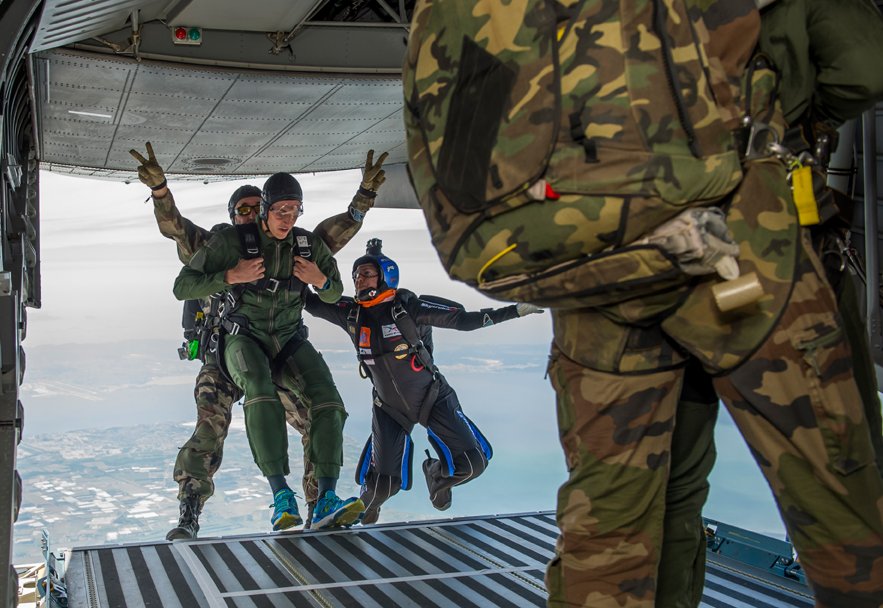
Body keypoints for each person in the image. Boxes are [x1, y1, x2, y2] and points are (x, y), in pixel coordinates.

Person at [400, 2, 883, 606]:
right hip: (741, 251)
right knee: (839, 502)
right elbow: (862, 66)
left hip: (593, 274)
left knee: (611, 521)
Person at [655, 3, 883, 605]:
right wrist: (797, 126)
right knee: (840, 477)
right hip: (776, 261)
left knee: (666, 492)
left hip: (650, 272)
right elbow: (864, 67)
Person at [132, 143, 388, 535]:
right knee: (209, 428)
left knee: (315, 416)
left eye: (260, 208)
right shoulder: (219, 245)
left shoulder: (294, 243)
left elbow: (332, 236)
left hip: (278, 350)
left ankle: (319, 504)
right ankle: (189, 511)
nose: (256, 217)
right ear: (236, 216)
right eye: (245, 211)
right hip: (225, 354)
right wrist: (162, 191)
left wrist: (362, 200)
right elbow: (175, 230)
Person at [304, 239, 543, 523]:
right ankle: (357, 522)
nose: (358, 280)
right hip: (389, 407)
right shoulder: (352, 313)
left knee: (471, 464)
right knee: (381, 487)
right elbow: (310, 303)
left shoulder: (409, 308)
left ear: (386, 277)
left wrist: (514, 310)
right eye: (356, 275)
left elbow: (463, 320)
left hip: (433, 397)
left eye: (366, 273)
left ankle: (436, 475)